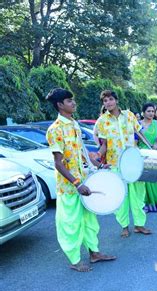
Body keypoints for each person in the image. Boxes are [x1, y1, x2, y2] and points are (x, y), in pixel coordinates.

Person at [45, 88, 116, 272]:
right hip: (70, 188)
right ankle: (75, 260)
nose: (74, 103)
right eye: (69, 101)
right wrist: (76, 184)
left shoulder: (74, 124)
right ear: (60, 105)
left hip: (84, 183)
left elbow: (81, 153)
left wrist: (97, 166)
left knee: (90, 222)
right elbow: (58, 163)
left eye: (72, 100)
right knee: (71, 225)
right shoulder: (55, 130)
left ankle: (95, 253)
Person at [95, 90, 152, 237]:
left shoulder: (129, 115)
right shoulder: (102, 121)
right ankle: (124, 226)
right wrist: (98, 155)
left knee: (138, 195)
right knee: (120, 196)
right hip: (115, 164)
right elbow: (104, 145)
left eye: (110, 99)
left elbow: (139, 133)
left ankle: (139, 225)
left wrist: (151, 147)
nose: (108, 103)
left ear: (116, 100)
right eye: (105, 101)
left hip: (133, 162)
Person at [138, 103, 157, 212]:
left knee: (155, 180)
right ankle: (144, 204)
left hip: (155, 155)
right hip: (142, 155)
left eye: (153, 111)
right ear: (143, 112)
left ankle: (156, 202)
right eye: (148, 111)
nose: (151, 113)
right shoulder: (138, 125)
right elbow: (135, 140)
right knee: (144, 180)